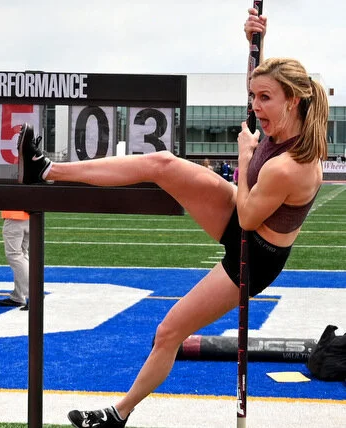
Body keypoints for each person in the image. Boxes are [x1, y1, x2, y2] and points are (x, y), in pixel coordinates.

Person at [17, 7, 328, 426]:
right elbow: (265, 84)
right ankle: (47, 170)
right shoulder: (280, 122)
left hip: (255, 253)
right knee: (161, 163)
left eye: (264, 99)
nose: (255, 107)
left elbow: (250, 218)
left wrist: (243, 157)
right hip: (247, 211)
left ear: (293, 100)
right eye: (254, 97)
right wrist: (254, 42)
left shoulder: (290, 165)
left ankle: (118, 413)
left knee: (169, 331)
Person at [0, 210, 30, 310]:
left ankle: (32, 294)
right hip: (30, 217)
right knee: (22, 255)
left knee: (15, 256)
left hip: (15, 216)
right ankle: (18, 296)